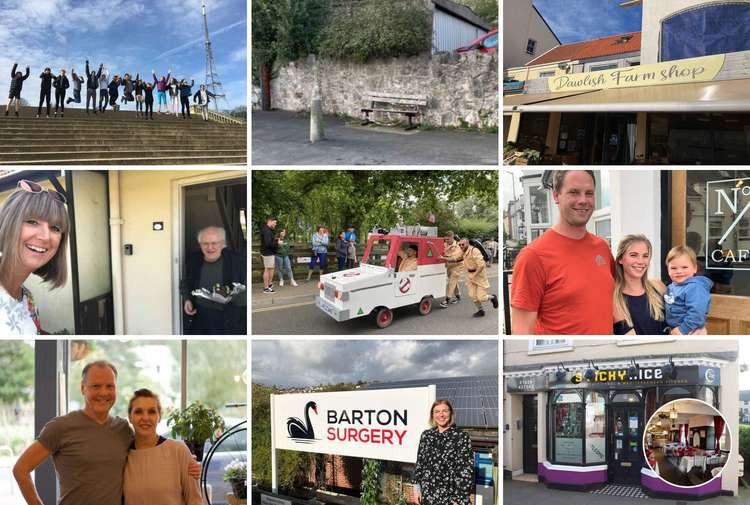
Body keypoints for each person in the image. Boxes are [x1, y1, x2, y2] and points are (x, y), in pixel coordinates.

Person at [13, 361, 200, 505]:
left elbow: (150, 451)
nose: (104, 392)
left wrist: (187, 462)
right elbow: (21, 470)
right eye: (96, 386)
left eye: (110, 386)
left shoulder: (122, 430)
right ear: (82, 388)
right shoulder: (60, 427)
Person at [511, 170, 615, 334]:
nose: (583, 200)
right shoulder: (533, 256)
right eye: (574, 192)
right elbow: (522, 331)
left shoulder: (602, 247)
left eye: (589, 193)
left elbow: (607, 301)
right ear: (556, 196)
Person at [0, 180, 69, 335]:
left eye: (55, 228)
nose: (45, 237)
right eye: (32, 222)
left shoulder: (26, 298)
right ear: (6, 224)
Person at [124, 389, 202, 505]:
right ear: (130, 417)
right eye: (138, 412)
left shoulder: (178, 450)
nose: (145, 418)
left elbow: (195, 501)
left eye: (151, 412)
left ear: (159, 416)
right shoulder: (122, 456)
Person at [182, 226, 246, 335]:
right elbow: (185, 283)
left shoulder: (238, 262)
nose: (209, 247)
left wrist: (230, 297)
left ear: (222, 244)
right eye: (205, 243)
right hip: (199, 316)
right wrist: (187, 299)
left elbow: (246, 294)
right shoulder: (192, 260)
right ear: (200, 245)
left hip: (227, 319)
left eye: (214, 243)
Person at [414, 400, 473, 505]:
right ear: (432, 415)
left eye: (445, 411)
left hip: (451, 497)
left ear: (450, 413)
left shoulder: (461, 436)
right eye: (437, 411)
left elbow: (465, 470)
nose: (441, 415)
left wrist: (458, 499)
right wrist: (417, 489)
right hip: (428, 495)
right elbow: (420, 463)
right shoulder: (427, 435)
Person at [613, 234, 668, 335]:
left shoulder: (658, 286)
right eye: (633, 255)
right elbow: (631, 341)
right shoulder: (615, 299)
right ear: (620, 259)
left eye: (645, 256)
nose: (640, 261)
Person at [664, 245, 712, 335]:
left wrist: (682, 330)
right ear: (668, 270)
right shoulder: (671, 286)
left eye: (684, 267)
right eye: (673, 268)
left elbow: (697, 315)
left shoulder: (695, 288)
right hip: (674, 331)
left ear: (695, 268)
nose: (679, 271)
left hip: (690, 331)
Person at [459, 238, 498, 317]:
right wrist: (445, 258)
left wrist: (475, 274)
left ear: (468, 244)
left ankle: (493, 297)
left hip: (479, 276)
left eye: (463, 244)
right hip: (470, 276)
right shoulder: (463, 252)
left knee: (481, 297)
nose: (461, 246)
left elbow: (481, 265)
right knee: (473, 295)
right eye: (459, 244)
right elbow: (457, 258)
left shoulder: (474, 251)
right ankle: (480, 311)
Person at [439, 231, 463, 308]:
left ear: (452, 237)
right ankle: (458, 296)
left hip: (457, 266)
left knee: (451, 282)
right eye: (445, 239)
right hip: (448, 266)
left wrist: (443, 258)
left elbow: (454, 258)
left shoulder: (458, 246)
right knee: (454, 282)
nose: (446, 241)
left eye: (448, 239)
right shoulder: (444, 244)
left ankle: (447, 299)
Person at [260, 217, 278, 293]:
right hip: (267, 253)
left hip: (269, 253)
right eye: (274, 223)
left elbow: (269, 241)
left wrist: (275, 240)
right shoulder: (266, 231)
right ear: (269, 221)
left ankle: (269, 285)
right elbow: (268, 244)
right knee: (267, 269)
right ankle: (266, 288)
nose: (275, 224)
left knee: (271, 269)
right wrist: (277, 243)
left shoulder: (268, 230)